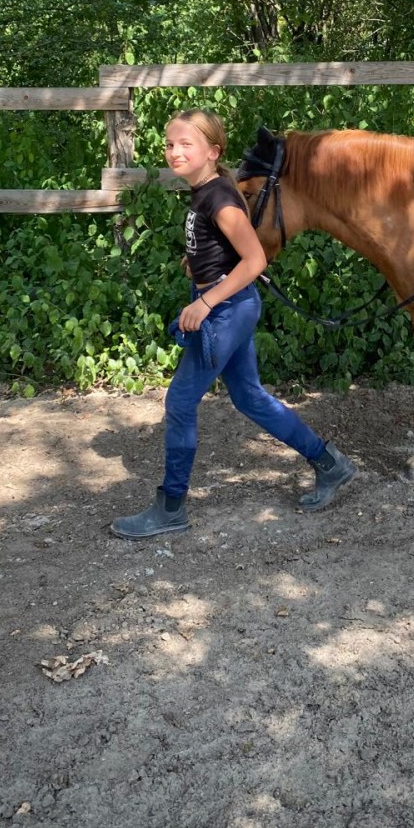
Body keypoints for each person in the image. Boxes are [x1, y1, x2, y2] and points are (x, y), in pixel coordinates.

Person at [111, 109, 356, 539]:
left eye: (186, 144)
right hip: (227, 305)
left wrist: (206, 301)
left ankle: (171, 507)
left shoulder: (220, 198)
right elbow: (225, 248)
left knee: (180, 402)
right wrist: (199, 261)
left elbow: (255, 259)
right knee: (249, 397)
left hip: (226, 311)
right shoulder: (206, 190)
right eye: (170, 144)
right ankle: (329, 463)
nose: (174, 152)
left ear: (213, 151)